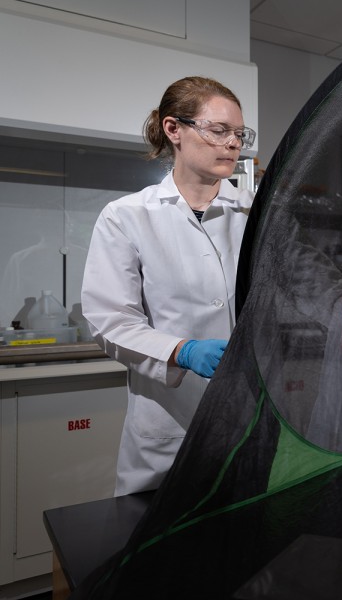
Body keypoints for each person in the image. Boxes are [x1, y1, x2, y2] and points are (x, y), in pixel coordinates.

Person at [81, 76, 257, 495]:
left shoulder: (257, 211)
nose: (233, 144)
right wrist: (182, 351)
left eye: (239, 134)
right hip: (167, 424)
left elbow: (311, 288)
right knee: (158, 546)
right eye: (218, 130)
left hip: (246, 419)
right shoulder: (126, 216)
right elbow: (110, 320)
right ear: (173, 129)